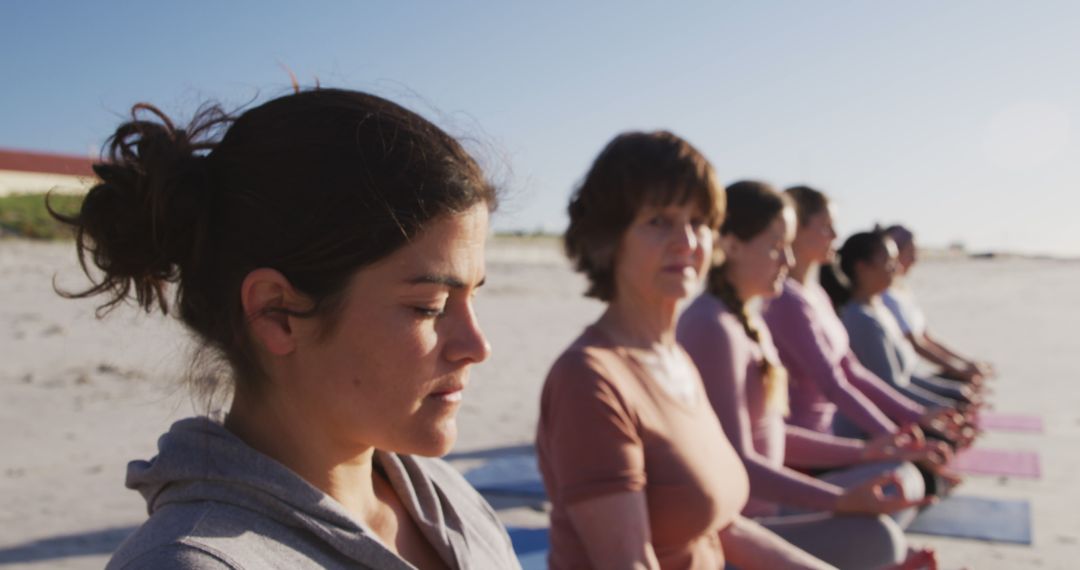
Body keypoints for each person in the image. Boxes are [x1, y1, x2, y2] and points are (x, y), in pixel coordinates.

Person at [51, 89, 519, 569]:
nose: (476, 346)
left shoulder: (446, 498)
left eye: (474, 296)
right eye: (429, 306)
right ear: (276, 313)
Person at [537, 132, 837, 570]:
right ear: (609, 237)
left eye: (698, 222)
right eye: (659, 220)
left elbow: (721, 527)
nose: (687, 242)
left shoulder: (674, 359)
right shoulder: (589, 379)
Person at [679, 181, 937, 569]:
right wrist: (839, 501)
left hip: (771, 511)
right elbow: (737, 462)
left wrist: (870, 450)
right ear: (729, 244)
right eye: (775, 245)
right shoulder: (713, 326)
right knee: (878, 539)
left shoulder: (749, 318)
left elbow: (773, 436)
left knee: (897, 483)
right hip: (738, 533)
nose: (786, 259)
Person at [761, 186, 969, 464]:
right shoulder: (786, 300)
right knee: (915, 473)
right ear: (796, 230)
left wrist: (917, 418)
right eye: (826, 227)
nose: (835, 236)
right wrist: (899, 439)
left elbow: (852, 370)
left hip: (830, 435)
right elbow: (833, 384)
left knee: (932, 456)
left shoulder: (816, 293)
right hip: (807, 447)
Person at [819, 230, 979, 411]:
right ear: (862, 267)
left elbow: (905, 377)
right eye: (889, 261)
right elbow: (890, 387)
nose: (897, 268)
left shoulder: (878, 308)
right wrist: (946, 408)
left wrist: (955, 394)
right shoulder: (860, 317)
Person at [882, 224, 994, 385]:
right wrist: (959, 370)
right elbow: (917, 344)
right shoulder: (886, 296)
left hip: (912, 374)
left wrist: (966, 363)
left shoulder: (903, 291)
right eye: (911, 253)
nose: (915, 259)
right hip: (903, 380)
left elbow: (927, 338)